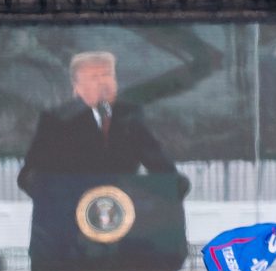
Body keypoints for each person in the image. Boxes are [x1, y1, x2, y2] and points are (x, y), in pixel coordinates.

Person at [16, 50, 180, 194]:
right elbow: (29, 176)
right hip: (70, 217)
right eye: (94, 77)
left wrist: (174, 185)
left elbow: (158, 164)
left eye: (107, 75)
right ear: (77, 87)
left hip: (124, 214)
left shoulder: (129, 116)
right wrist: (53, 197)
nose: (103, 82)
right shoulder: (56, 120)